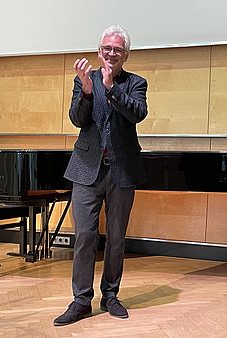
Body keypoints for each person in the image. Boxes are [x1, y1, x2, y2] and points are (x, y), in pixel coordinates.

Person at [54, 25, 148, 326]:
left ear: (126, 55)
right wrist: (86, 90)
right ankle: (81, 300)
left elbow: (137, 113)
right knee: (84, 236)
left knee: (117, 238)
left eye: (117, 49)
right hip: (85, 170)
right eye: (107, 48)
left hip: (122, 171)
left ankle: (110, 296)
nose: (111, 53)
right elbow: (77, 119)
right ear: (99, 51)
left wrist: (110, 88)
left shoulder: (136, 83)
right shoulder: (84, 80)